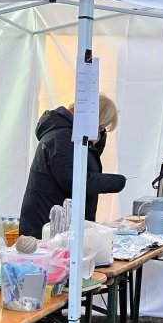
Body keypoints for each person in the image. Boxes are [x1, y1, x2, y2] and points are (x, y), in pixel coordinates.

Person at [19, 93, 127, 237]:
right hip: (46, 227)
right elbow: (74, 181)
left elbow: (88, 163)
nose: (100, 133)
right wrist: (116, 181)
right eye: (100, 127)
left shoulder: (70, 135)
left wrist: (97, 140)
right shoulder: (61, 138)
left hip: (56, 225)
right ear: (93, 119)